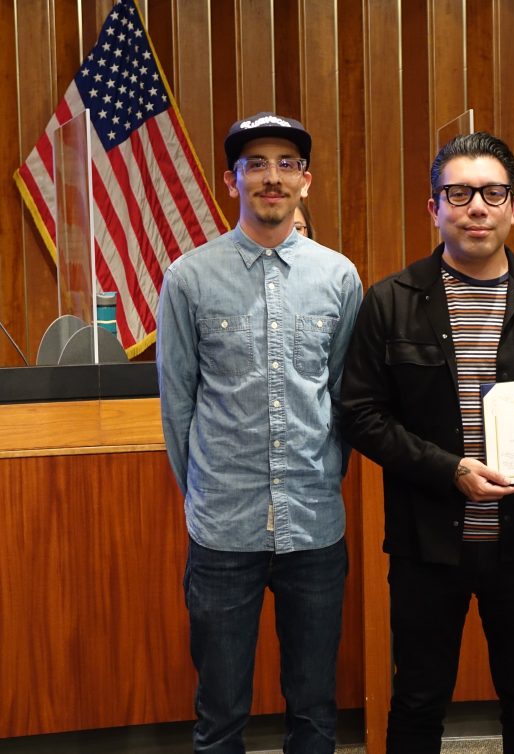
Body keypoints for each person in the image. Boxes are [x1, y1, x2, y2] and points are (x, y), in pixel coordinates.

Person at [339, 131, 514, 754]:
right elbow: (362, 415)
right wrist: (450, 470)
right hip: (428, 542)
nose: (476, 206)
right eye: (459, 192)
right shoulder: (391, 302)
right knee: (418, 700)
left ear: (513, 206)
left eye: (492, 192)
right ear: (435, 206)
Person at [156, 112, 362, 753]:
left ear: (306, 180)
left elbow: (345, 398)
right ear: (231, 180)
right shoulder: (189, 278)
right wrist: (201, 496)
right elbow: (178, 406)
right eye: (256, 164)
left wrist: (327, 474)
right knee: (219, 714)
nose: (271, 177)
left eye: (286, 164)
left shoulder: (339, 277)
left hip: (313, 525)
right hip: (223, 531)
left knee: (314, 709)